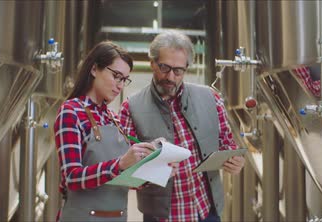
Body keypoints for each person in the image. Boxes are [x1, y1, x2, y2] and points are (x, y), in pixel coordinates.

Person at [119, 30, 245, 222]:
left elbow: (227, 144)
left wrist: (235, 160)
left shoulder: (211, 98)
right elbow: (123, 171)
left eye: (178, 70)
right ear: (152, 63)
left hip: (206, 212)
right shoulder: (131, 107)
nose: (171, 76)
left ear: (186, 68)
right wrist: (154, 171)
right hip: (160, 216)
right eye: (164, 67)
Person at [54, 41, 155, 221]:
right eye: (116, 76)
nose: (120, 85)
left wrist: (155, 171)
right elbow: (72, 178)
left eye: (124, 79)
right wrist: (120, 164)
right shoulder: (71, 112)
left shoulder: (114, 119)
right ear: (94, 69)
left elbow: (121, 180)